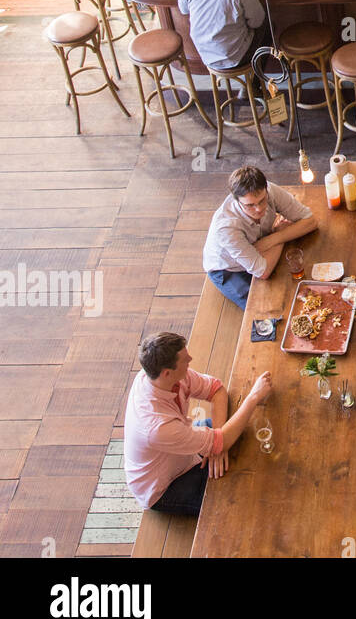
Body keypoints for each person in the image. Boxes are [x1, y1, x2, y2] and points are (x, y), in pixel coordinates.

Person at [124, 331, 272, 515]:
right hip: (167, 484)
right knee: (238, 496)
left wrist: (218, 446)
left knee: (241, 429)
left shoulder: (159, 376)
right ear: (167, 372)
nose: (191, 359)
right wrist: (254, 396)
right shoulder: (156, 426)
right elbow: (222, 439)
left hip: (183, 443)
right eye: (185, 360)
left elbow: (216, 390)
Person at [202, 165, 318, 308]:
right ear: (236, 201)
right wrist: (279, 234)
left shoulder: (269, 189)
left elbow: (310, 221)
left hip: (261, 244)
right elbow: (262, 272)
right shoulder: (226, 228)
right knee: (265, 311)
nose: (258, 209)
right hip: (229, 269)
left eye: (262, 201)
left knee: (300, 289)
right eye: (250, 205)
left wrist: (274, 239)